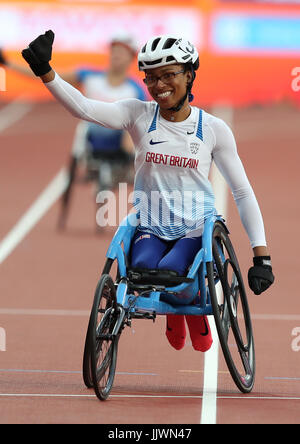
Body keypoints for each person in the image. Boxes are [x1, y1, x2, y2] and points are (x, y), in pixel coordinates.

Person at [21, 30, 275, 352]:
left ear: (189, 74)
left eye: (169, 75)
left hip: (195, 228)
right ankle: (176, 303)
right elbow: (83, 108)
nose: (159, 85)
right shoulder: (138, 114)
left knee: (172, 274)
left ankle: (188, 309)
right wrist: (46, 71)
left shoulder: (212, 130)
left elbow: (242, 192)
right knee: (142, 271)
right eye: (151, 78)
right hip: (151, 225)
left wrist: (261, 257)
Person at [1, 34, 147, 229]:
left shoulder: (136, 89)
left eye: (122, 52)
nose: (117, 55)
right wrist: (8, 64)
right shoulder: (89, 76)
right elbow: (51, 76)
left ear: (131, 57)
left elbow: (141, 123)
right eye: (115, 50)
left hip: (121, 146)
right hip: (91, 143)